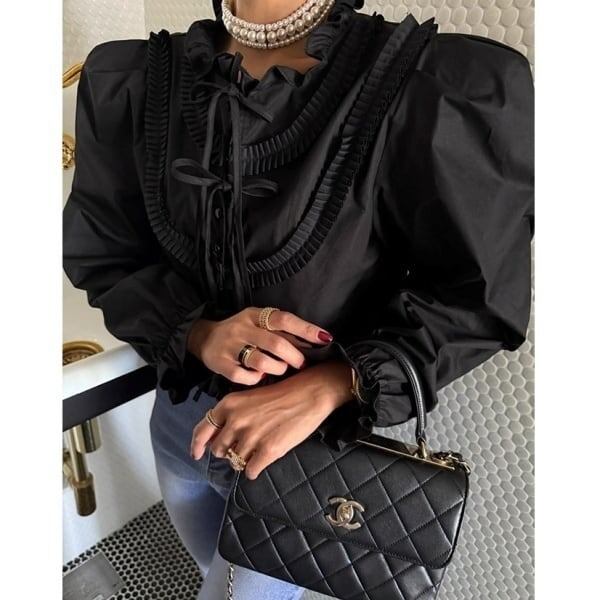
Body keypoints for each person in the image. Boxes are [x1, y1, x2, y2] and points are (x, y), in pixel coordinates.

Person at [63, 0, 534, 598]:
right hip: (178, 424)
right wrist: (199, 332)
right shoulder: (135, 79)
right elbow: (108, 251)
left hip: (303, 459)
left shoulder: (429, 85)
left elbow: (474, 297)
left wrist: (334, 382)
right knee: (207, 565)